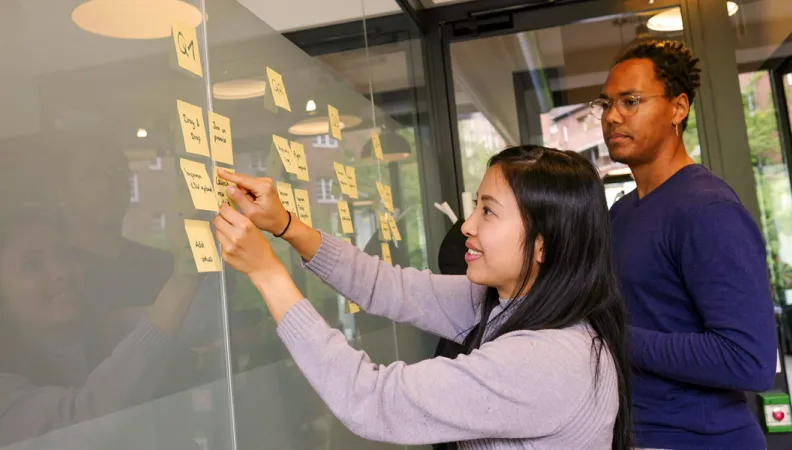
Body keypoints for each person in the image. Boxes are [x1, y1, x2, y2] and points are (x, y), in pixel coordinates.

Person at [214, 146, 632, 449]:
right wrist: (286, 225)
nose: (467, 226)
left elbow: (371, 399)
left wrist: (267, 273)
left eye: (488, 211)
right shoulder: (507, 302)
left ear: (543, 244)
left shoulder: (549, 361)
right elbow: (385, 286)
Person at [593, 39, 777, 449]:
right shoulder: (622, 213)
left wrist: (615, 338)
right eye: (606, 104)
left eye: (630, 101)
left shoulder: (707, 210)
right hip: (633, 434)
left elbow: (749, 360)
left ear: (678, 108)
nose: (611, 117)